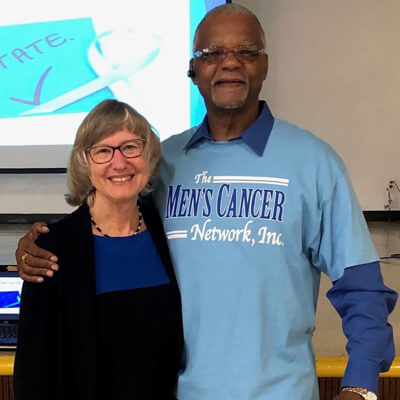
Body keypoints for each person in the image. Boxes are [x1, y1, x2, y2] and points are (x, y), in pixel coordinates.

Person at [15, 4, 397, 400]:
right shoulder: (165, 162)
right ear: (193, 71)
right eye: (211, 54)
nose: (229, 63)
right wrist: (39, 243)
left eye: (246, 52)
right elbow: (107, 219)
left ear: (264, 65)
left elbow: (363, 291)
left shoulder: (315, 163)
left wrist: (360, 386)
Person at [13, 99, 183, 400]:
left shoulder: (168, 232)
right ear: (85, 163)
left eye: (131, 147)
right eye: (103, 151)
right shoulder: (51, 249)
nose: (119, 163)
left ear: (149, 155)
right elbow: (34, 371)